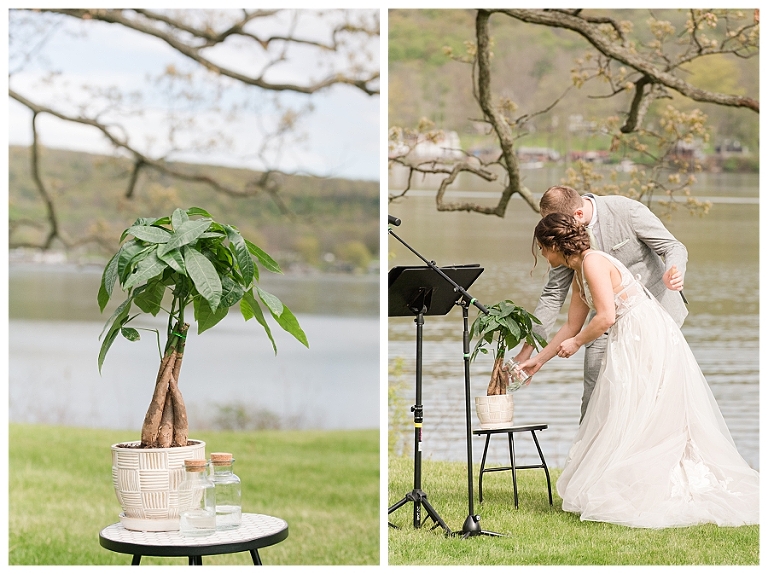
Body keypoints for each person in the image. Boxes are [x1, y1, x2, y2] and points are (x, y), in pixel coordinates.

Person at [523, 213, 758, 528]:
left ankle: (661, 485)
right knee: (625, 409)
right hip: (627, 338)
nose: (542, 254)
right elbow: (571, 325)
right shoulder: (579, 271)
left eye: (542, 248)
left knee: (643, 409)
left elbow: (605, 317)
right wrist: (539, 360)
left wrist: (577, 343)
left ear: (554, 245)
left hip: (644, 335)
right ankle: (632, 482)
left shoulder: (593, 263)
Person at [514, 185, 688, 422]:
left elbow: (673, 246)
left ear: (577, 215)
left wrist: (674, 271)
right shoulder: (566, 250)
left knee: (650, 397)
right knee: (595, 397)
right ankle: (594, 443)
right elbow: (554, 297)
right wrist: (529, 354)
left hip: (652, 317)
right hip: (602, 322)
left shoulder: (626, 211)